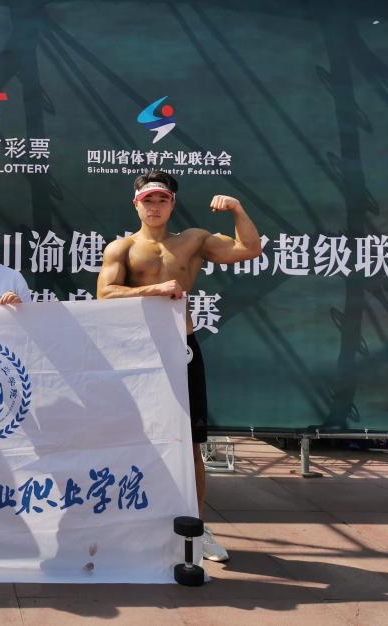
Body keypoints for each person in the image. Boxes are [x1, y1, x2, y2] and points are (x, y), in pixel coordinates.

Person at [97, 170, 261, 562]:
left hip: (181, 348)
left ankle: (196, 527)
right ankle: (133, 525)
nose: (154, 207)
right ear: (136, 204)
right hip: (138, 353)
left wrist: (237, 209)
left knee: (190, 443)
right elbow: (104, 294)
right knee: (135, 438)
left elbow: (249, 249)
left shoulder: (193, 241)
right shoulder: (122, 248)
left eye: (162, 200)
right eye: (148, 200)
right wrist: (153, 289)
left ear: (172, 204)